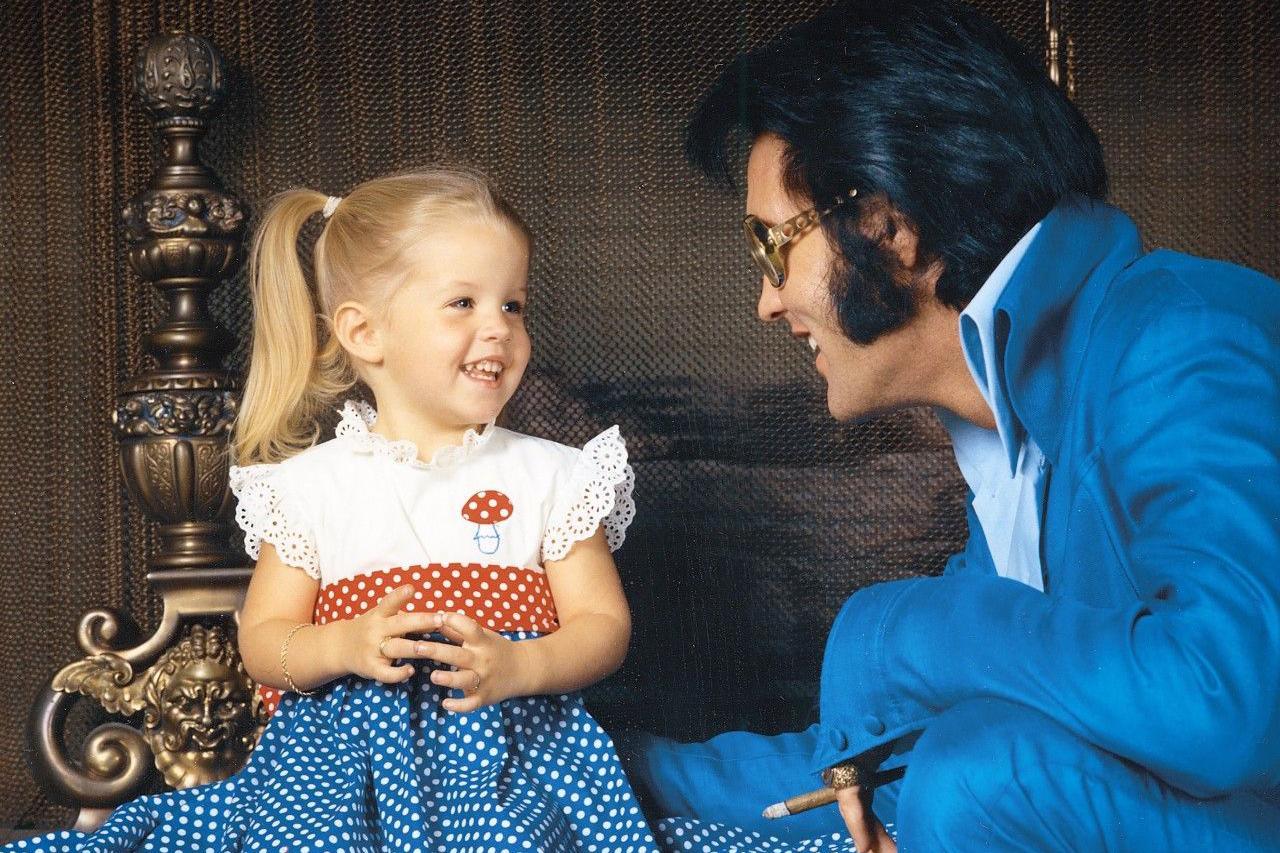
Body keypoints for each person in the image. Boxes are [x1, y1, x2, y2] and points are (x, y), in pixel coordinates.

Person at [623, 1, 1280, 851]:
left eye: (771, 246)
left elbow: (1222, 699)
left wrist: (907, 629)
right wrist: (593, 763)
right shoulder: (1006, 434)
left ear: (886, 224)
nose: (766, 299)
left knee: (980, 774)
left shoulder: (1177, 338)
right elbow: (869, 765)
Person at [7, 169, 658, 852]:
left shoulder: (552, 474)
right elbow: (264, 642)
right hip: (340, 766)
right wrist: (343, 643)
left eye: (514, 305)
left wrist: (523, 667)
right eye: (464, 302)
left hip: (509, 754)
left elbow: (603, 625)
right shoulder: (312, 488)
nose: (499, 328)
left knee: (512, 839)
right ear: (365, 332)